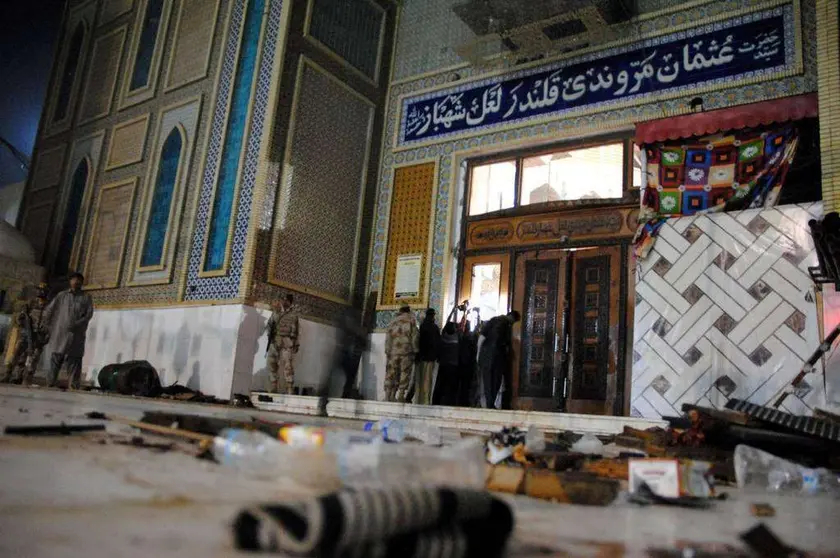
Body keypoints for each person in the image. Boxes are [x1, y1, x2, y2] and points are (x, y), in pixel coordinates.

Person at [43, 272, 94, 389]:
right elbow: (50, 310)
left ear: (82, 282)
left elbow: (89, 314)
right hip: (60, 332)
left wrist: (78, 323)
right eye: (74, 280)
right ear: (70, 282)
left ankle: (74, 386)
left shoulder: (86, 297)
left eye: (79, 280)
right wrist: (47, 326)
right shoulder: (62, 295)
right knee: (56, 358)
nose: (76, 282)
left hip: (77, 334)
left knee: (75, 360)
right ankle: (50, 383)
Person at [318, 303, 369, 416]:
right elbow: (354, 328)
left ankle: (332, 399)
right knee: (347, 375)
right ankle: (330, 400)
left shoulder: (344, 315)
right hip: (343, 351)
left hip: (342, 350)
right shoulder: (350, 316)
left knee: (346, 375)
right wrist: (362, 333)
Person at [1, 284, 50, 385]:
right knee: (16, 356)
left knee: (32, 361)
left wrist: (46, 338)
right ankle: (9, 375)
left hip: (38, 338)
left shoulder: (50, 308)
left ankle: (26, 379)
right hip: (26, 335)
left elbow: (51, 325)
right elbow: (20, 319)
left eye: (43, 291)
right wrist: (22, 320)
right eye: (40, 291)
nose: (41, 293)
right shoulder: (30, 305)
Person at [476, 311, 520, 410]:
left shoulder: (493, 320)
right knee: (495, 381)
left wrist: (478, 354)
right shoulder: (506, 325)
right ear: (512, 319)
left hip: (487, 355)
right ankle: (490, 404)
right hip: (497, 357)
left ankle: (489, 404)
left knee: (488, 381)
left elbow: (482, 338)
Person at [265, 294, 299, 394]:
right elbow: (269, 325)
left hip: (287, 342)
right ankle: (273, 386)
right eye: (282, 299)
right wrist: (270, 336)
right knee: (271, 363)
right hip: (275, 341)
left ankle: (289, 388)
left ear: (290, 302)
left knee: (288, 366)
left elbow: (297, 332)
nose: (283, 302)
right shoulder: (276, 312)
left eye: (286, 300)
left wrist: (296, 344)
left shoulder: (294, 315)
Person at [384, 306, 418, 402]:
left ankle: (388, 396)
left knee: (391, 372)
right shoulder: (411, 321)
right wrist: (415, 350)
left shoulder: (393, 321)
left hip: (393, 352)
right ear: (408, 311)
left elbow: (388, 337)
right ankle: (401, 395)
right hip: (406, 352)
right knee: (404, 372)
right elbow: (414, 337)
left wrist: (387, 350)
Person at [415, 308, 440, 405]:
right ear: (433, 316)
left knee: (419, 380)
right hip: (430, 358)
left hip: (422, 357)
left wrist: (418, 356)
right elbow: (437, 343)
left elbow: (419, 342)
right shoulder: (435, 327)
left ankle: (419, 401)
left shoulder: (422, 326)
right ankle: (425, 401)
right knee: (427, 380)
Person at [431, 322, 460, 406]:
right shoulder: (457, 337)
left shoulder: (443, 337)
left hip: (443, 364)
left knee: (440, 385)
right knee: (450, 386)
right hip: (453, 365)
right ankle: (449, 402)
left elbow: (443, 330)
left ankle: (437, 401)